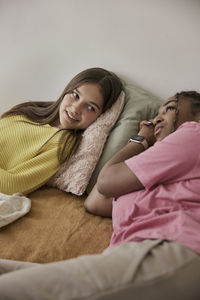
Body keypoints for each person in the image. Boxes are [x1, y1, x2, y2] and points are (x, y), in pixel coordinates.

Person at [0, 91, 199, 299]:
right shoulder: (153, 171)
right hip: (131, 254)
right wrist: (139, 141)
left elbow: (105, 183)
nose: (157, 118)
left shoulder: (193, 133)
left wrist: (140, 143)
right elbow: (96, 202)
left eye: (169, 109)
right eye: (158, 112)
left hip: (174, 250)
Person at [0, 67, 123, 195]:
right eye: (75, 95)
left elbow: (12, 185)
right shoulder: (29, 110)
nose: (76, 108)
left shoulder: (62, 143)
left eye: (90, 107)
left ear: (100, 117)